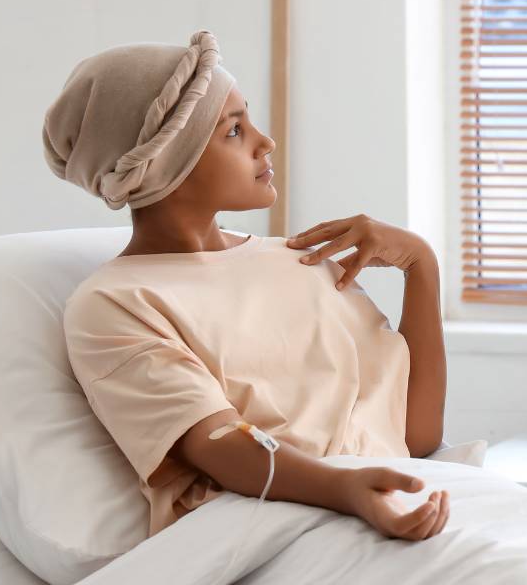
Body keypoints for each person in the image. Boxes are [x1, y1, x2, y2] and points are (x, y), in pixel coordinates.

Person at [43, 31, 449, 540]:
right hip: (271, 529)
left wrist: (421, 265)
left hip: (403, 503)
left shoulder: (301, 260)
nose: (265, 141)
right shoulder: (115, 305)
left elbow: (416, 434)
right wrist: (346, 490)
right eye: (234, 130)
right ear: (165, 163)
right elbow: (218, 446)